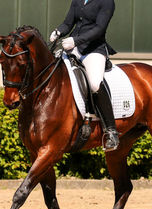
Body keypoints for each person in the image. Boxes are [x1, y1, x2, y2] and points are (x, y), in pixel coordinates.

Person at [50, 0, 119, 151]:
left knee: (95, 83)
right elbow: (68, 23)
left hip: (93, 50)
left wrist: (75, 40)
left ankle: (111, 131)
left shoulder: (107, 2)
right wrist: (58, 32)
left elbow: (100, 29)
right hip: (72, 48)